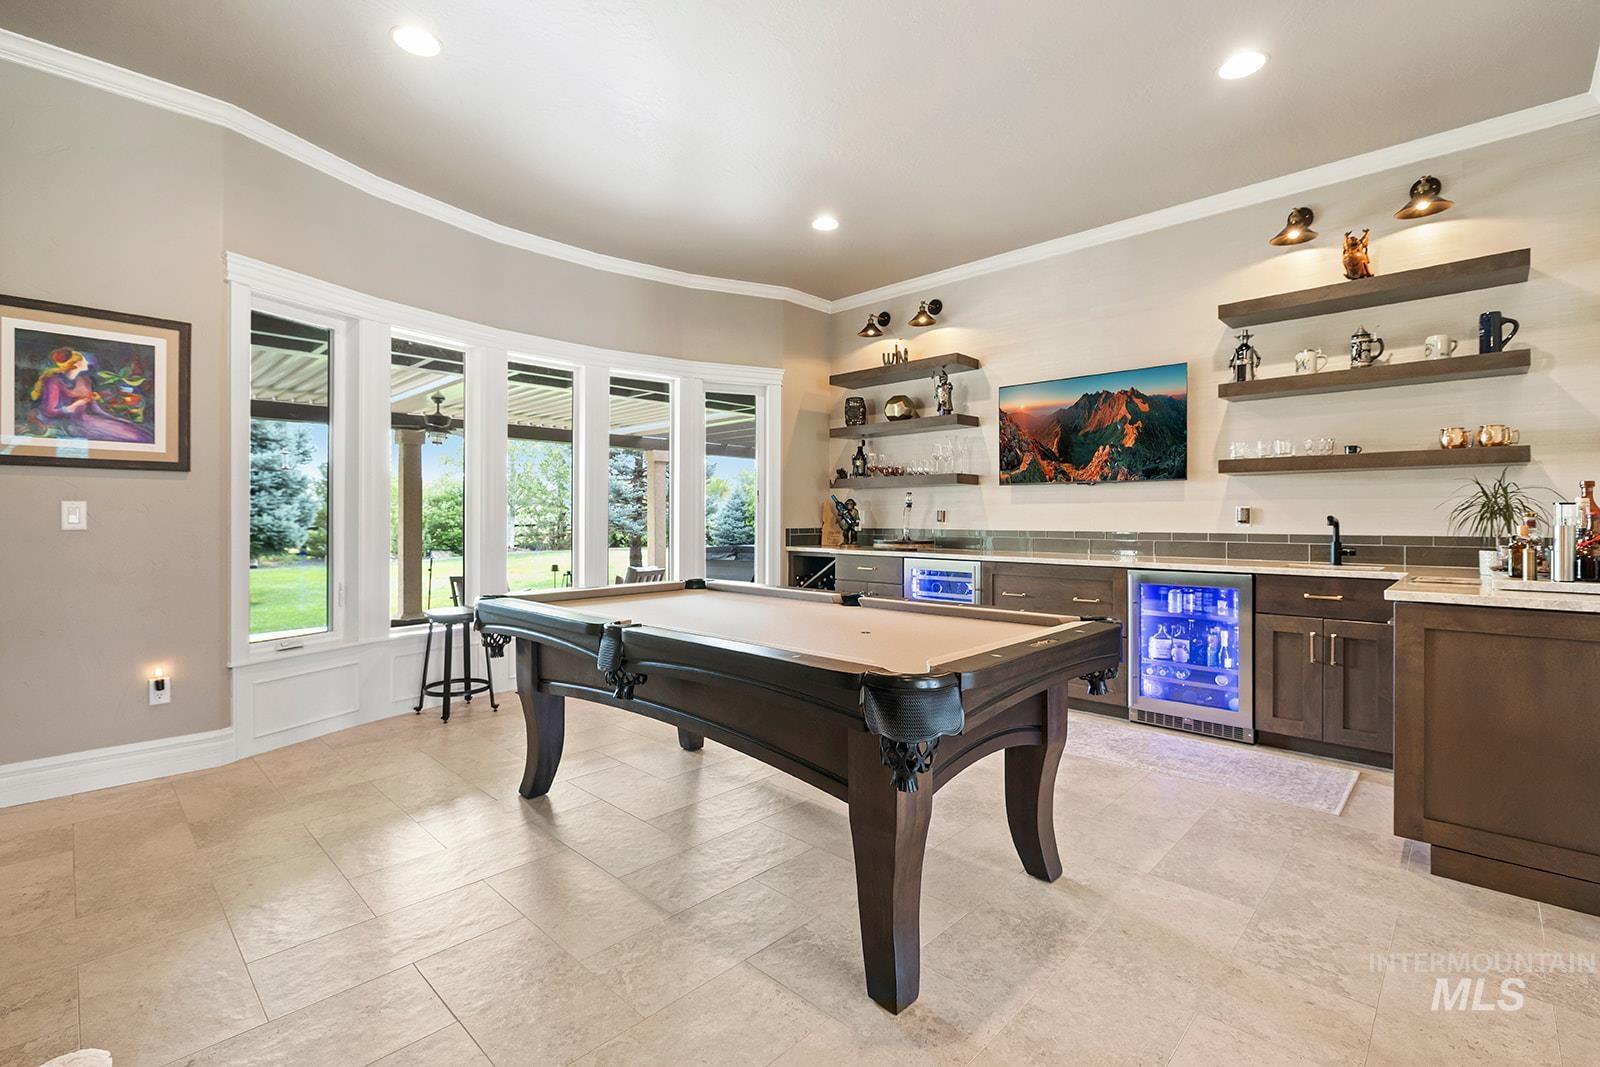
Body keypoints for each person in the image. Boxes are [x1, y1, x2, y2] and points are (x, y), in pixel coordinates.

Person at [27, 347, 154, 443]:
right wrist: (74, 406)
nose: (87, 362)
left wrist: (114, 418)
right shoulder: (53, 382)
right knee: (130, 437)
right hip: (72, 423)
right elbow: (50, 411)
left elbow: (95, 408)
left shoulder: (85, 380)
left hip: (87, 418)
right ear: (76, 364)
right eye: (83, 359)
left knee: (135, 431)